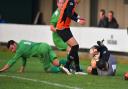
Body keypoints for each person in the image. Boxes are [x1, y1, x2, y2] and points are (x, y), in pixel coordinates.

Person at [56, 0, 86, 75]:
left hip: (65, 28)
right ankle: (67, 66)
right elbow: (68, 13)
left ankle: (77, 69)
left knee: (74, 48)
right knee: (75, 46)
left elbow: (71, 12)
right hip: (62, 28)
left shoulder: (71, 2)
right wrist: (78, 20)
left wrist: (78, 17)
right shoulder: (71, 2)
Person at [0, 40, 64, 73]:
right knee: (56, 63)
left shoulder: (19, 51)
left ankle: (62, 69)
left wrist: (2, 69)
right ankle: (69, 64)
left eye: (12, 48)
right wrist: (22, 69)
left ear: (14, 44)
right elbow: (24, 57)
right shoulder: (22, 42)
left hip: (41, 51)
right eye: (11, 50)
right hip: (45, 45)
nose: (12, 51)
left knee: (47, 69)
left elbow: (12, 61)